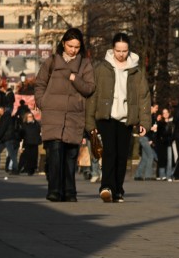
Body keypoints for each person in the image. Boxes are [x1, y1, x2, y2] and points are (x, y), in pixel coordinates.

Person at [86, 32, 152, 203]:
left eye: (124, 51)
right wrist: (90, 122)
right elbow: (92, 96)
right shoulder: (101, 69)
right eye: (118, 51)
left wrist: (144, 122)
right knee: (109, 151)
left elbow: (144, 97)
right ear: (112, 49)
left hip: (126, 118)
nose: (121, 54)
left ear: (128, 50)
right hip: (106, 116)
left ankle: (118, 190)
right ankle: (106, 187)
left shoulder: (136, 71)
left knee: (122, 156)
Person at [34, 27, 97, 202]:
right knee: (54, 153)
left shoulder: (85, 64)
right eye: (70, 46)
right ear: (63, 43)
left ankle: (70, 192)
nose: (73, 50)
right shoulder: (52, 62)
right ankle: (54, 190)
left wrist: (75, 79)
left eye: (77, 47)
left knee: (70, 155)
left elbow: (90, 88)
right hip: (53, 114)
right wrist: (43, 102)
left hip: (74, 115)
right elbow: (40, 84)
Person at [134, 103, 159, 180]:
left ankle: (138, 175)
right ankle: (148, 176)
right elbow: (142, 127)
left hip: (147, 138)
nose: (157, 109)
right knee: (150, 155)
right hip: (144, 137)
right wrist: (151, 128)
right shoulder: (146, 116)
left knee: (145, 158)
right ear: (151, 107)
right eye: (156, 108)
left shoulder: (153, 117)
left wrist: (151, 139)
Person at [153, 105, 175, 180]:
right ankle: (162, 175)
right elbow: (158, 134)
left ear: (169, 113)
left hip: (169, 143)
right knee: (162, 159)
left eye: (166, 112)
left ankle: (169, 175)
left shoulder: (172, 123)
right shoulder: (160, 123)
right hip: (162, 144)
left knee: (170, 159)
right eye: (163, 113)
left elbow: (173, 133)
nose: (165, 114)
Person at [18, 110, 42, 175]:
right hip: (27, 142)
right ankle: (21, 168)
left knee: (33, 157)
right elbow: (21, 134)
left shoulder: (36, 124)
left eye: (31, 116)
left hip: (34, 143)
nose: (30, 118)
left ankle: (31, 169)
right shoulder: (24, 125)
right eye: (29, 117)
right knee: (24, 156)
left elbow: (39, 132)